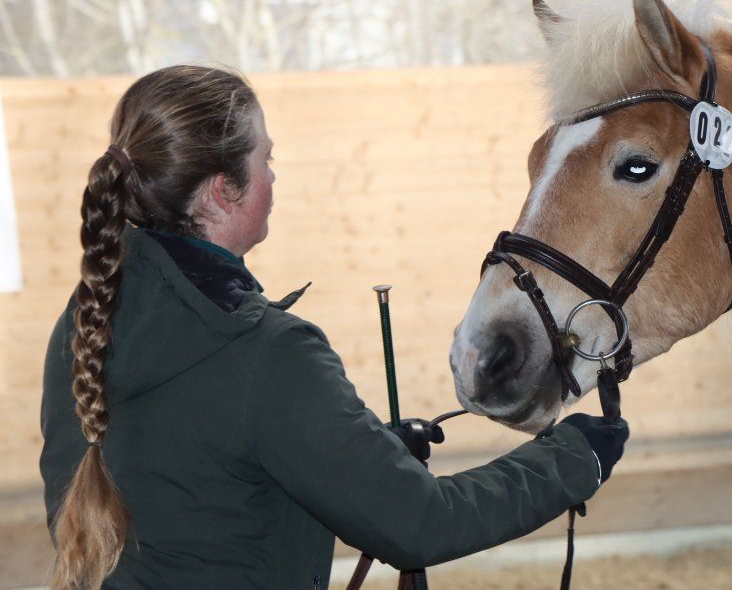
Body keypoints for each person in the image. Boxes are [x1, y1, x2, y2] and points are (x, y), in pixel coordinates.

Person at [39, 65, 630, 590]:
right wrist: (574, 459)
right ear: (223, 192)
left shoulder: (82, 325)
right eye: (264, 160)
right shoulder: (268, 353)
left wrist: (360, 459)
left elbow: (200, 483)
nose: (273, 176)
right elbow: (422, 523)